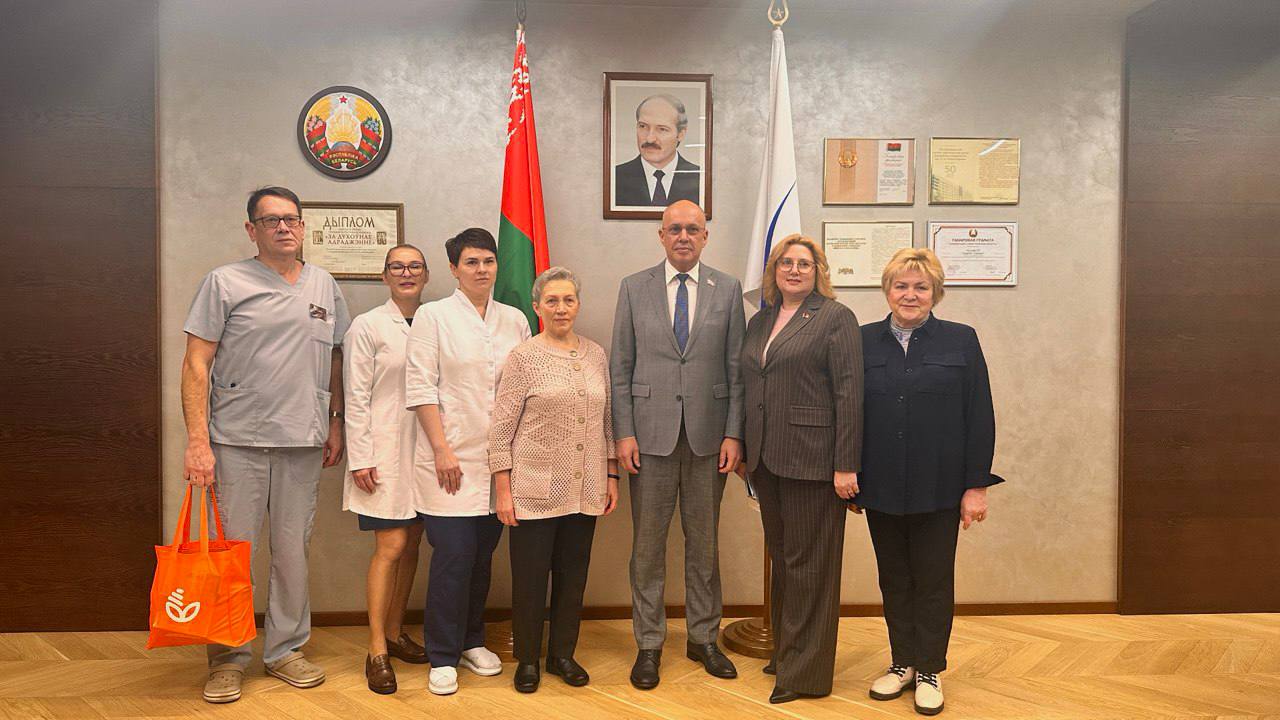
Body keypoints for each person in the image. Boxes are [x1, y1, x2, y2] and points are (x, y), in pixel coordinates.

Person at [181, 186, 349, 704]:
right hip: (238, 440)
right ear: (251, 229)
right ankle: (227, 657)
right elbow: (196, 363)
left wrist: (335, 422)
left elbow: (336, 358)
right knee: (232, 556)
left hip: (303, 438)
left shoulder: (324, 285)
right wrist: (197, 441)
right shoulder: (224, 282)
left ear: (303, 227)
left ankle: (285, 650)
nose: (283, 227)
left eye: (291, 219)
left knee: (292, 553)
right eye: (271, 220)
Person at [856, 248, 999, 716]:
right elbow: (850, 412)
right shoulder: (862, 340)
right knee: (894, 579)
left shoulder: (961, 340)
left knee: (933, 580)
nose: (910, 294)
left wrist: (976, 486)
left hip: (939, 487)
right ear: (887, 290)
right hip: (881, 486)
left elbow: (979, 416)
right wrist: (850, 473)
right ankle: (902, 662)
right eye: (901, 285)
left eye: (921, 287)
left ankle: (930, 669)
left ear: (935, 293)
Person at [610, 199, 745, 689]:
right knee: (647, 549)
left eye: (693, 229)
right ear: (661, 235)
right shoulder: (634, 287)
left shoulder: (727, 289)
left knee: (704, 546)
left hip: (710, 438)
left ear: (705, 236)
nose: (684, 236)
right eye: (675, 229)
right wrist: (624, 432)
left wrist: (734, 432)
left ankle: (703, 638)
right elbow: (621, 368)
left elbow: (737, 369)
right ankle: (649, 644)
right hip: (648, 438)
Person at [404, 228, 531, 696]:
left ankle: (472, 640)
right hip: (449, 459)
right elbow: (421, 387)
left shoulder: (514, 319)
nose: (482, 269)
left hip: (499, 464)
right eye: (471, 262)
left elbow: (525, 389)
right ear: (454, 269)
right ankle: (442, 653)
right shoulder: (433, 316)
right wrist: (441, 449)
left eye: (488, 261)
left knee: (481, 559)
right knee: (453, 558)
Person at [740, 234, 862, 705]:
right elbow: (751, 385)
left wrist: (846, 465)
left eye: (804, 264)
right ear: (774, 270)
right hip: (767, 460)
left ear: (818, 272)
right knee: (786, 562)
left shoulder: (835, 318)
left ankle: (805, 675)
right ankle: (786, 653)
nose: (794, 270)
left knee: (811, 568)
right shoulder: (761, 320)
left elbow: (849, 394)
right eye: (786, 263)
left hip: (815, 462)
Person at [488, 267, 620, 694]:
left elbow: (607, 421)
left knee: (573, 575)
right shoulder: (524, 357)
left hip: (587, 486)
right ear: (537, 307)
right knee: (530, 579)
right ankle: (528, 659)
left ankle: (563, 654)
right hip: (533, 489)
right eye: (552, 301)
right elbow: (501, 428)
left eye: (568, 300)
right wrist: (503, 489)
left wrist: (611, 474)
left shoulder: (596, 354)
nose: (561, 308)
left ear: (578, 305)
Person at [342, 245, 431, 694]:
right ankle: (376, 648)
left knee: (413, 542)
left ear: (427, 274)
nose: (406, 273)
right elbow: (355, 395)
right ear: (384, 276)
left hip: (427, 452)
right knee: (391, 545)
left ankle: (396, 633)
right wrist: (360, 456)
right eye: (397, 267)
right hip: (383, 452)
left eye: (415, 266)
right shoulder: (367, 325)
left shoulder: (435, 321)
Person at [614, 94, 701, 207]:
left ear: (681, 134)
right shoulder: (615, 178)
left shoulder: (700, 179)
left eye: (662, 129)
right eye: (643, 126)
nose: (650, 139)